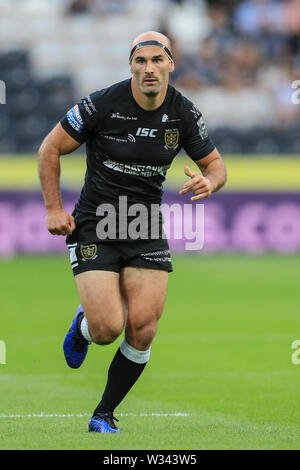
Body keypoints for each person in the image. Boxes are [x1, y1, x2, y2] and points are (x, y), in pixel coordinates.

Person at [38, 31, 227, 433]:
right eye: (141, 62)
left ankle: (102, 415)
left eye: (158, 61)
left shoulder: (184, 113)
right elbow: (49, 148)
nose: (150, 69)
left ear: (171, 64)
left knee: (143, 327)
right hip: (96, 223)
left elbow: (216, 166)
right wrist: (54, 208)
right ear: (131, 67)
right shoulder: (101, 104)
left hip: (144, 225)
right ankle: (85, 326)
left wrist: (210, 182)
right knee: (107, 329)